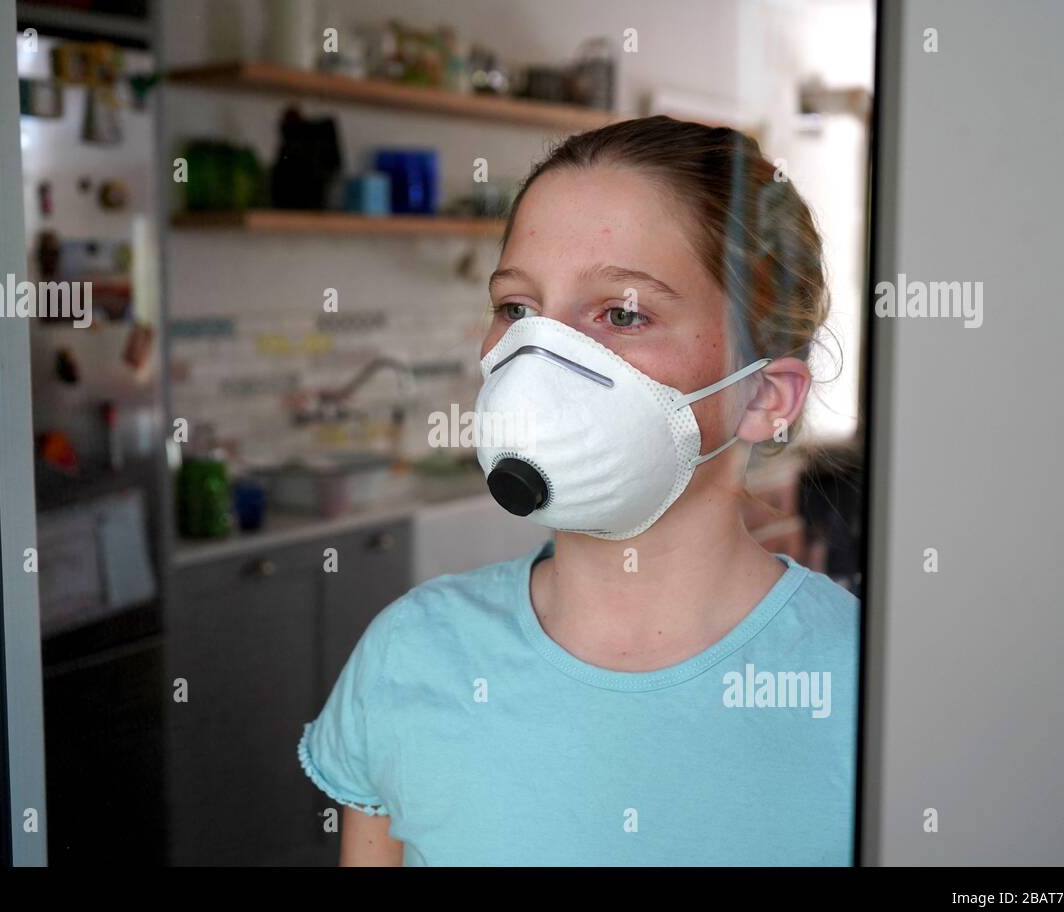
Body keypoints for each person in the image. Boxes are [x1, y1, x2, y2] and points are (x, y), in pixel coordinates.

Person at [298, 115, 860, 865]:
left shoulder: (866, 686)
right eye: (517, 310)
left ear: (765, 398)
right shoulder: (411, 655)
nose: (540, 356)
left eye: (622, 314)